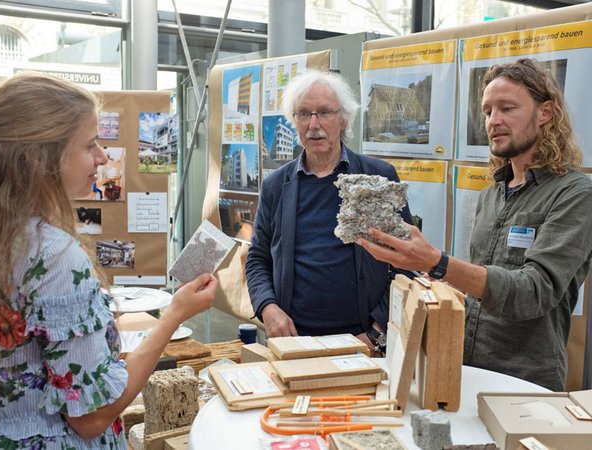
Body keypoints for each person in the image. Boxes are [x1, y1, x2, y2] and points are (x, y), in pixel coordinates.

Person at [0, 73, 217, 449]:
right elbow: (92, 416)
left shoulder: (7, 239)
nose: (102, 157)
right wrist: (175, 314)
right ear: (37, 158)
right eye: (90, 144)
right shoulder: (53, 256)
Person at [357, 58, 592, 391]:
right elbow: (482, 284)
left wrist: (438, 263)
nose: (493, 121)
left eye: (507, 108)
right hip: (465, 368)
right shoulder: (491, 194)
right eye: (487, 111)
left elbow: (534, 292)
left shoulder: (575, 193)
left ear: (545, 113)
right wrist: (430, 281)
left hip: (523, 381)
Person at [245, 69, 412, 352]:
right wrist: (268, 307)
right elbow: (257, 259)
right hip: (293, 343)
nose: (314, 124)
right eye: (304, 114)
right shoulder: (276, 185)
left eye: (324, 112)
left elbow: (407, 263)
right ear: (294, 121)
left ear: (343, 119)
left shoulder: (378, 177)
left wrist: (376, 331)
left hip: (363, 342)